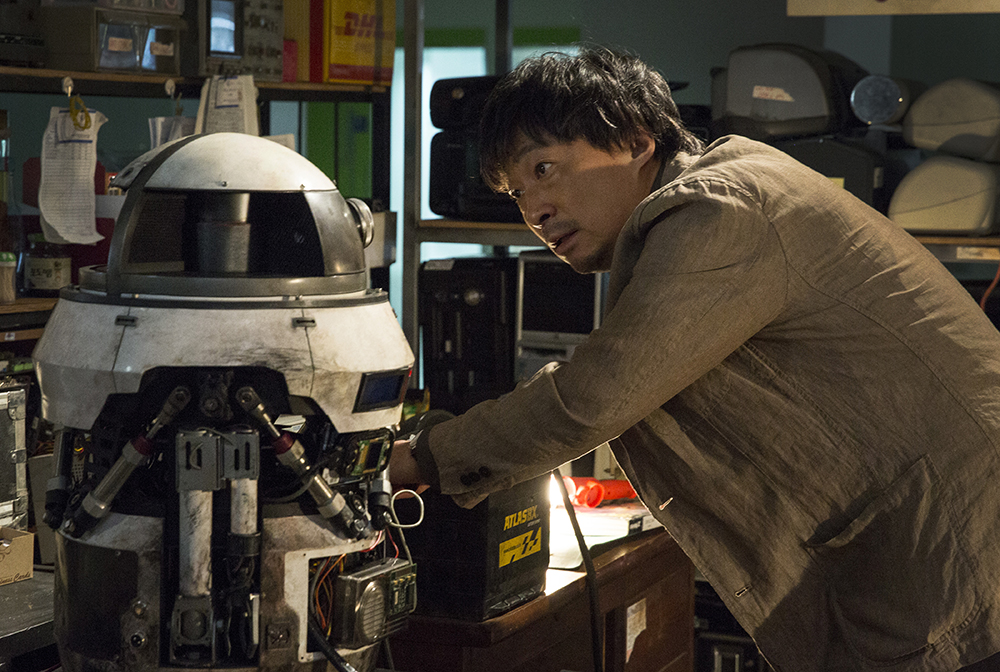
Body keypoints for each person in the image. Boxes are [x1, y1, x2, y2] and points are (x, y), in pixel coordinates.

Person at [389, 46, 1000, 672]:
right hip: (933, 558)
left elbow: (593, 397)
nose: (534, 211)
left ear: (635, 141)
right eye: (517, 192)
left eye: (545, 168)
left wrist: (420, 459)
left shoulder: (720, 207)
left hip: (960, 562)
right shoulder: (713, 197)